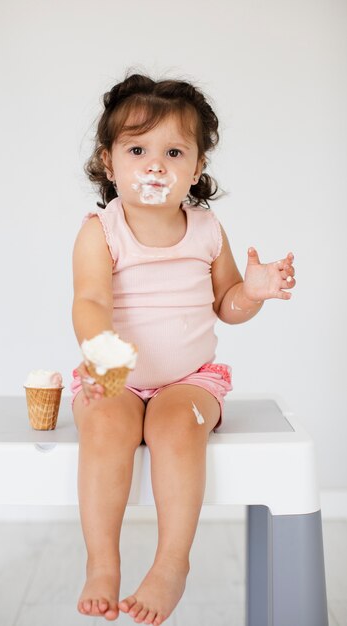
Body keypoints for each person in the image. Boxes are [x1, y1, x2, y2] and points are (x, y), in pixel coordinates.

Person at [70, 71, 296, 625]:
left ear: (196, 169)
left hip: (189, 381)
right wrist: (102, 351)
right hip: (115, 373)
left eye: (174, 151)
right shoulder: (101, 230)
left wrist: (255, 292)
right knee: (105, 424)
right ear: (108, 161)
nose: (155, 165)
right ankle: (102, 561)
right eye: (138, 149)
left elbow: (227, 305)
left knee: (175, 426)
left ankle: (173, 563)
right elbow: (90, 301)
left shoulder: (206, 229)